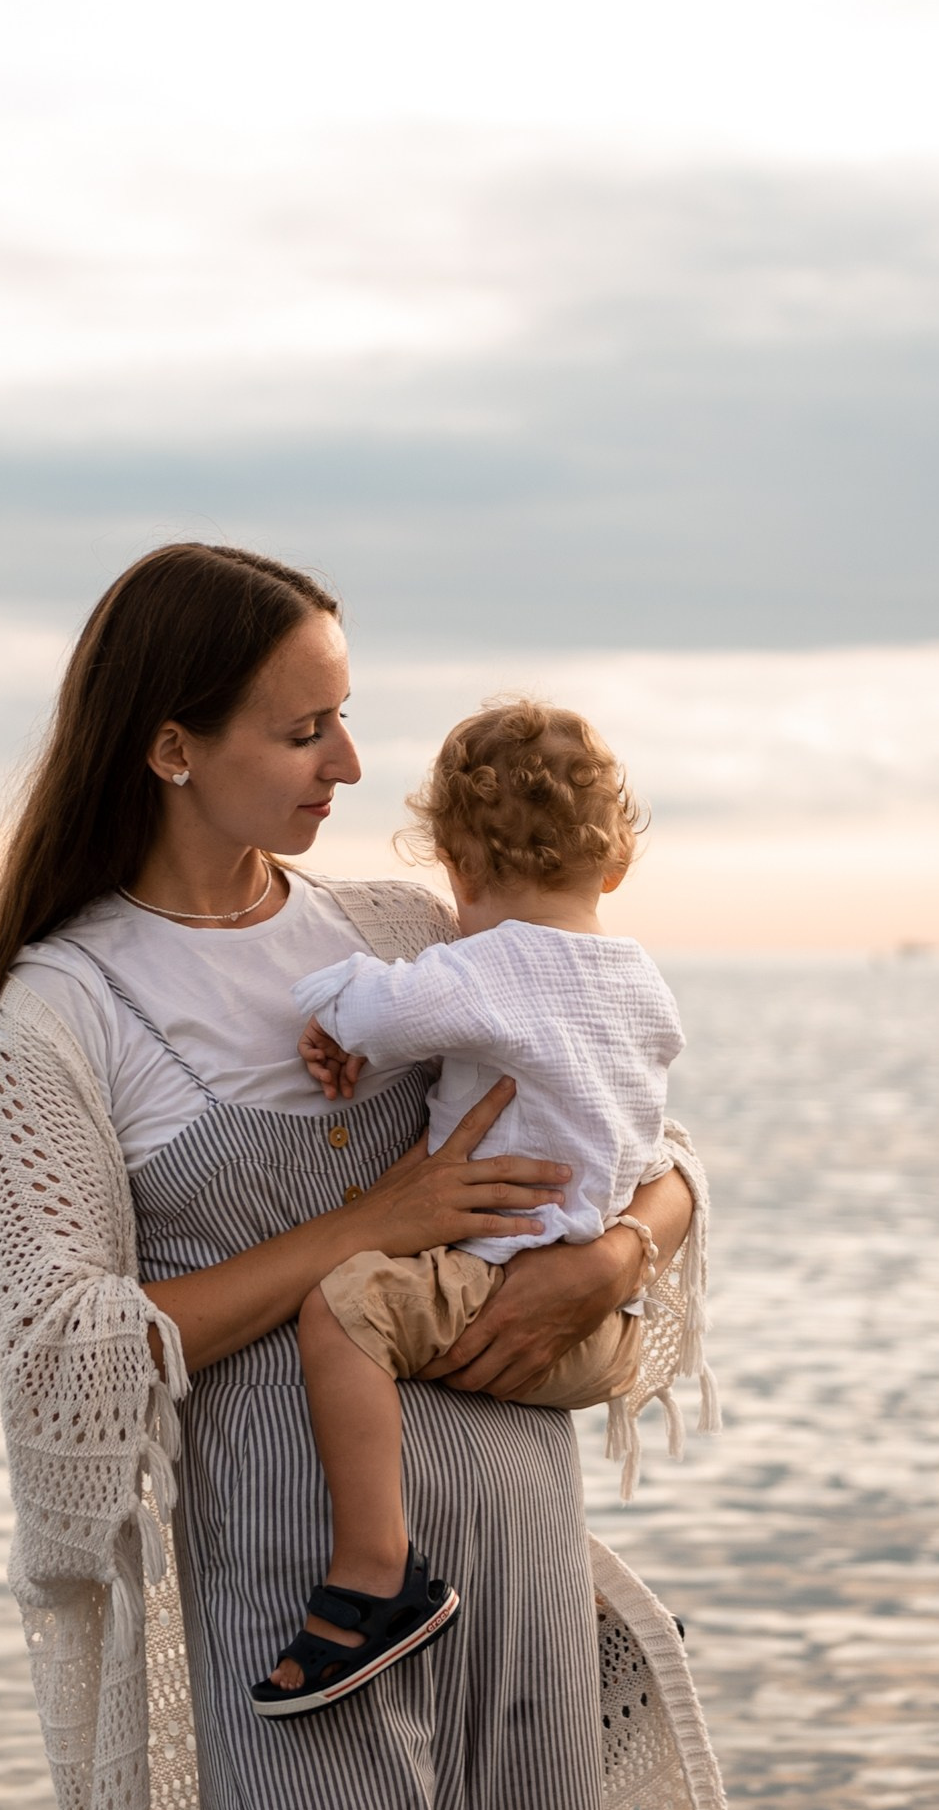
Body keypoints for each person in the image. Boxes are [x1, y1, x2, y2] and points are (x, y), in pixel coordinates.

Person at [0, 542, 745, 1810]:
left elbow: (644, 1135)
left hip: (520, 1587)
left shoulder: (389, 933)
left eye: (348, 718)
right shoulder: (66, 1009)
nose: (352, 767)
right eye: (307, 728)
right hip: (312, 1634)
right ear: (171, 745)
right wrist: (360, 1226)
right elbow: (68, 1352)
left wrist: (616, 1255)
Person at [255, 699, 684, 1715]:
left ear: (456, 865)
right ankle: (585, 1608)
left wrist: (337, 1003)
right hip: (596, 1331)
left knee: (342, 1310)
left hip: (490, 1289)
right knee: (498, 1468)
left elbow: (366, 1008)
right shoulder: (641, 983)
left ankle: (374, 1569)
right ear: (615, 864)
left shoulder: (481, 970)